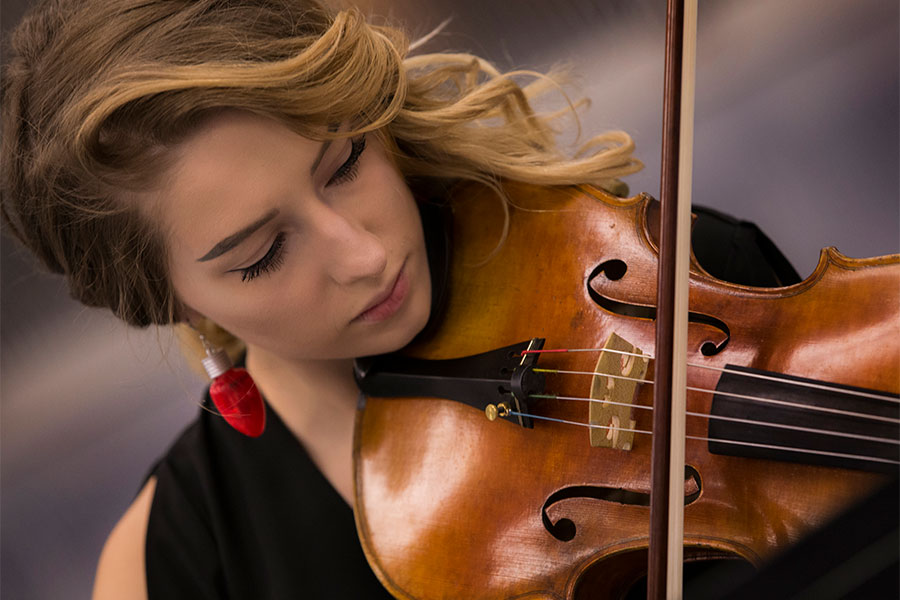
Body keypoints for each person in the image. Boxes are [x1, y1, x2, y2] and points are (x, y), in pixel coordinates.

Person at [1, 1, 801, 598]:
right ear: (164, 300)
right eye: (264, 253)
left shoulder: (676, 294)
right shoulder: (168, 570)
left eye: (345, 162)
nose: (366, 253)